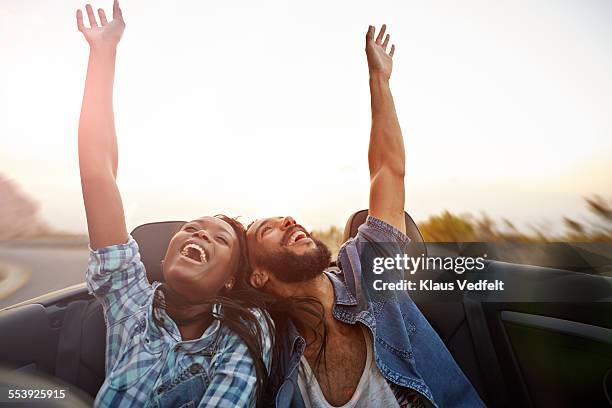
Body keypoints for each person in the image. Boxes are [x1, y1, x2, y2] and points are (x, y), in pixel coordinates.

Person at [246, 25, 486, 407]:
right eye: (267, 230)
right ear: (258, 275)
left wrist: (380, 80)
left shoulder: (367, 271)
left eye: (285, 217)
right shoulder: (270, 355)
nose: (288, 220)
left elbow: (387, 171)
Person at [76, 2, 272, 406]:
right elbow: (98, 173)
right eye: (193, 228)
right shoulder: (129, 300)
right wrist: (103, 54)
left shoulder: (245, 330)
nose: (199, 232)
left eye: (219, 238)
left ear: (230, 280)